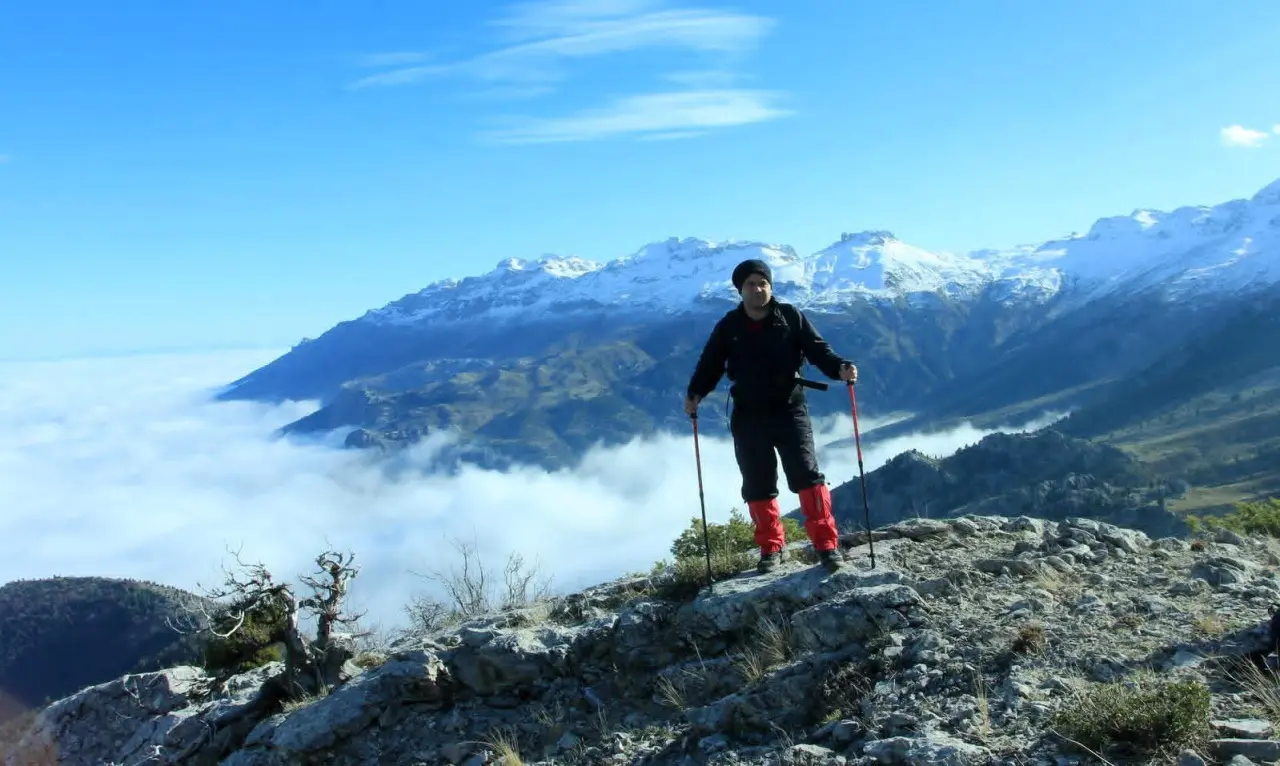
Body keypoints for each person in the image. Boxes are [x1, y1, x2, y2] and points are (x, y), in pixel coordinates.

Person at [684, 258, 858, 574]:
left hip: (790, 410)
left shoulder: (790, 317)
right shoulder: (728, 327)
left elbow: (819, 351)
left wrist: (840, 368)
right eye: (751, 284)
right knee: (758, 482)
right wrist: (695, 394)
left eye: (763, 283)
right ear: (740, 290)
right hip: (749, 415)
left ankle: (826, 544)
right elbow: (710, 365)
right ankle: (770, 548)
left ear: (771, 286)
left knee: (807, 475)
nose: (758, 289)